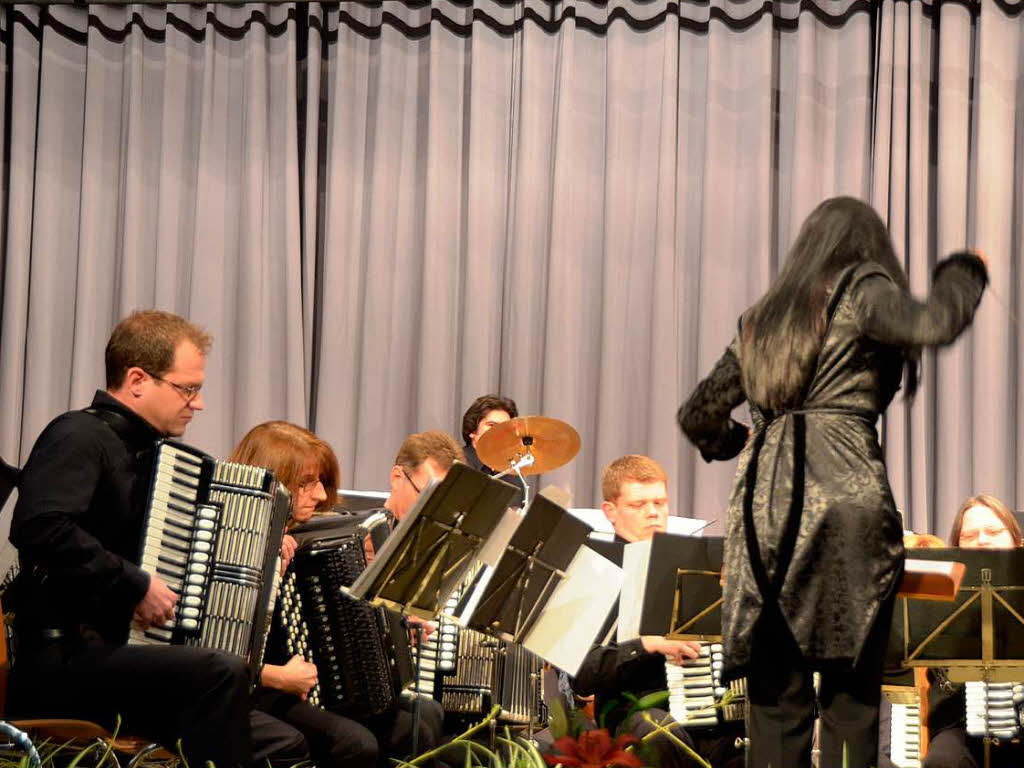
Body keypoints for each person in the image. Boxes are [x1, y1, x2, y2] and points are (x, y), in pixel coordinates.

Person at [678, 196, 988, 768]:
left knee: (774, 704)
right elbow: (935, 322)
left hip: (762, 514)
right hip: (844, 504)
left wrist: (745, 445)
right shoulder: (865, 290)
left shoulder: (760, 319)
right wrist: (964, 272)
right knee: (849, 701)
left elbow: (699, 416)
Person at [6, 310, 307, 767]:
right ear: (138, 379)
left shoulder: (159, 460)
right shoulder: (79, 434)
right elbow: (39, 526)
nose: (198, 403)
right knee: (220, 672)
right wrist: (136, 584)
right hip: (63, 659)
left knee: (286, 744)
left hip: (123, 659)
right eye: (188, 388)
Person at [572, 455, 744, 768]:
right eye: (639, 505)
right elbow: (582, 676)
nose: (653, 513)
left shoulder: (697, 563)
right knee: (660, 732)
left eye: (660, 502)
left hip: (706, 705)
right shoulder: (595, 572)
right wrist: (648, 644)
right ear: (611, 511)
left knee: (759, 736)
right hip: (635, 711)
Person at [230, 421, 379, 768]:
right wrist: (276, 675)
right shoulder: (234, 543)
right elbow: (217, 650)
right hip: (249, 691)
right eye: (306, 483)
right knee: (355, 745)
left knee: (404, 721)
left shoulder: (293, 539)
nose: (322, 496)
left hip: (280, 684)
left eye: (320, 482)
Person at [923, 494, 1023, 768]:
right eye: (970, 535)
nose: (982, 540)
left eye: (993, 532)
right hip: (961, 721)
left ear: (1016, 540)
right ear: (957, 547)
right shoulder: (938, 597)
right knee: (942, 762)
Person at [460, 394, 526, 505]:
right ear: (472, 430)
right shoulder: (458, 464)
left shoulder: (514, 475)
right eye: (491, 425)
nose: (499, 432)